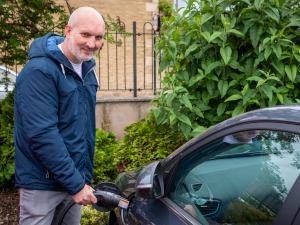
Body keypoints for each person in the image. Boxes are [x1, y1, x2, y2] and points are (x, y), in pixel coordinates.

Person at [13, 7, 105, 225]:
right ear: (68, 30)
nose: (92, 44)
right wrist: (77, 185)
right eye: (85, 34)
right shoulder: (40, 71)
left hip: (74, 181)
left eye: (98, 37)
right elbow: (43, 135)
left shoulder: (87, 69)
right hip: (42, 184)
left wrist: (79, 180)